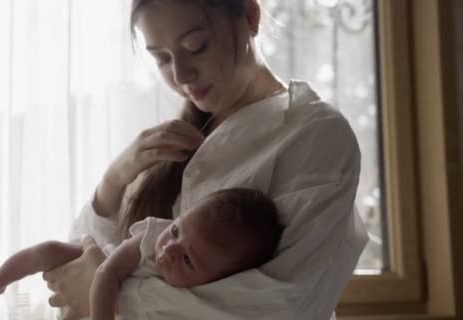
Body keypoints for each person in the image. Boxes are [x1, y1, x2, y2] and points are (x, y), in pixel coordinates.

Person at [43, 0, 369, 319]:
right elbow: (75, 269)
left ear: (251, 16)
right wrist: (113, 181)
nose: (181, 74)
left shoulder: (315, 134)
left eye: (196, 46)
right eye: (161, 59)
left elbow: (285, 303)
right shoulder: (173, 144)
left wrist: (107, 289)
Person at [0, 189, 283, 312]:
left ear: (217, 279)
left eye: (187, 259)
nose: (169, 249)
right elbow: (106, 272)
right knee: (51, 250)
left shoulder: (207, 295)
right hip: (100, 261)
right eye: (177, 230)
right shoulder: (152, 237)